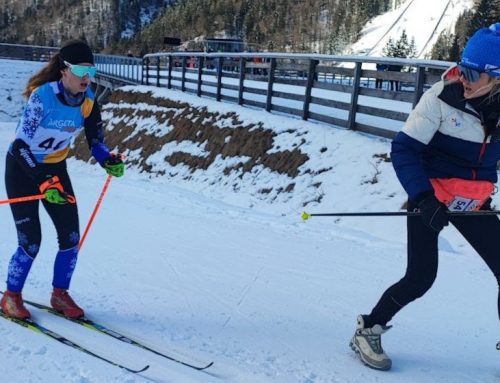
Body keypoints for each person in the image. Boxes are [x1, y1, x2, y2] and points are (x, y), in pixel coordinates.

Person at [350, 23, 500, 370]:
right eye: (462, 67)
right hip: (431, 194)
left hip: (472, 199)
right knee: (421, 277)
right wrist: (423, 197)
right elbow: (403, 150)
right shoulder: (441, 98)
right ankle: (367, 328)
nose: (464, 76)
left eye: (474, 73)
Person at [0, 40, 125, 319]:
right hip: (23, 169)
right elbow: (20, 145)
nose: (86, 77)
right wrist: (42, 180)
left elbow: (96, 142)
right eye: (80, 70)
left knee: (71, 237)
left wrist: (108, 160)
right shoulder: (42, 96)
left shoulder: (89, 101)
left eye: (90, 70)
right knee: (31, 241)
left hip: (55, 168)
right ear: (64, 71)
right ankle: (11, 296)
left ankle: (60, 294)